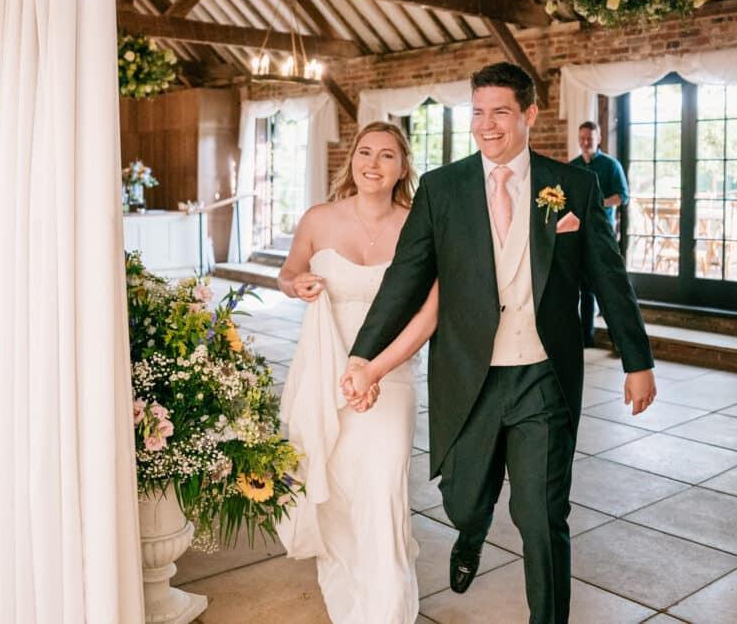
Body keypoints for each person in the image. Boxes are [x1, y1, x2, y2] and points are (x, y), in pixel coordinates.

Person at [342, 63, 656, 623]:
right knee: (463, 498)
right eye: (478, 112)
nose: (487, 125)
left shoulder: (574, 186)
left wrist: (638, 360)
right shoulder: (443, 188)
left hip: (543, 375)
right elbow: (405, 280)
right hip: (470, 373)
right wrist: (364, 354)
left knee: (541, 514)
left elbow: (609, 276)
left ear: (529, 114)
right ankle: (473, 530)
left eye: (501, 112)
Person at [274, 121, 437, 624]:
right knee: (337, 485)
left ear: (403, 168)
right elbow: (287, 273)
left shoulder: (419, 224)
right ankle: (349, 595)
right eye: (364, 152)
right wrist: (295, 283)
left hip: (391, 373)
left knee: (383, 486)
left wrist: (378, 370)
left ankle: (386, 609)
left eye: (387, 155)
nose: (372, 163)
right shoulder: (319, 218)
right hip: (324, 365)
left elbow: (429, 311)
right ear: (352, 160)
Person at [570, 121, 630, 348]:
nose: (586, 142)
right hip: (579, 235)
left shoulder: (611, 165)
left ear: (599, 138)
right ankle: (587, 338)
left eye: (590, 138)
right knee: (585, 290)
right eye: (582, 138)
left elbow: (622, 196)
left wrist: (596, 204)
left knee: (608, 290)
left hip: (603, 235)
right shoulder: (572, 166)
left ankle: (619, 342)